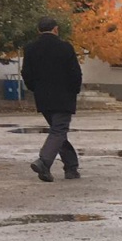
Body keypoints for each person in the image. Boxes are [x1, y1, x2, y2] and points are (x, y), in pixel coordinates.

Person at [20, 16, 82, 182]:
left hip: (43, 98)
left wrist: (36, 89)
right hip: (64, 97)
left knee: (58, 132)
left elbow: (26, 73)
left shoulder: (30, 49)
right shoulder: (65, 48)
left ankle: (71, 167)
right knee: (58, 131)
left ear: (39, 30)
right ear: (55, 29)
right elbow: (75, 73)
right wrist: (74, 91)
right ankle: (44, 162)